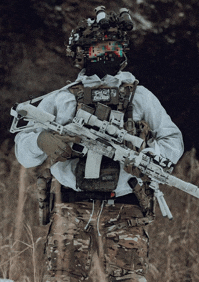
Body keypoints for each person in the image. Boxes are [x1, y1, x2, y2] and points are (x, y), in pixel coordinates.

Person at [14, 6, 184, 282]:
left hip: (125, 206)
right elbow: (25, 154)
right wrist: (40, 140)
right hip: (71, 205)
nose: (108, 54)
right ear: (83, 53)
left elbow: (171, 137)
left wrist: (154, 156)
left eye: (115, 47)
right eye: (100, 48)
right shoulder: (62, 99)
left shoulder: (139, 97)